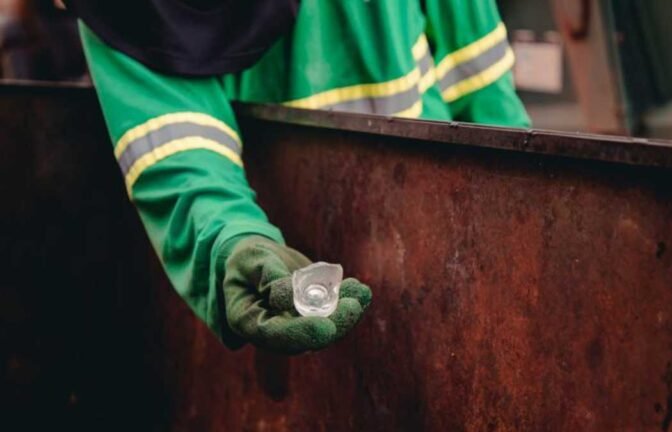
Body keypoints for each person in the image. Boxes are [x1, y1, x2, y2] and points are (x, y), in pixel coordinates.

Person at [63, 0, 530, 355]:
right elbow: (176, 146)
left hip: (435, 251)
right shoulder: (130, 10)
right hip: (277, 290)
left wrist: (518, 218)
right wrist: (235, 242)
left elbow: (484, 87)